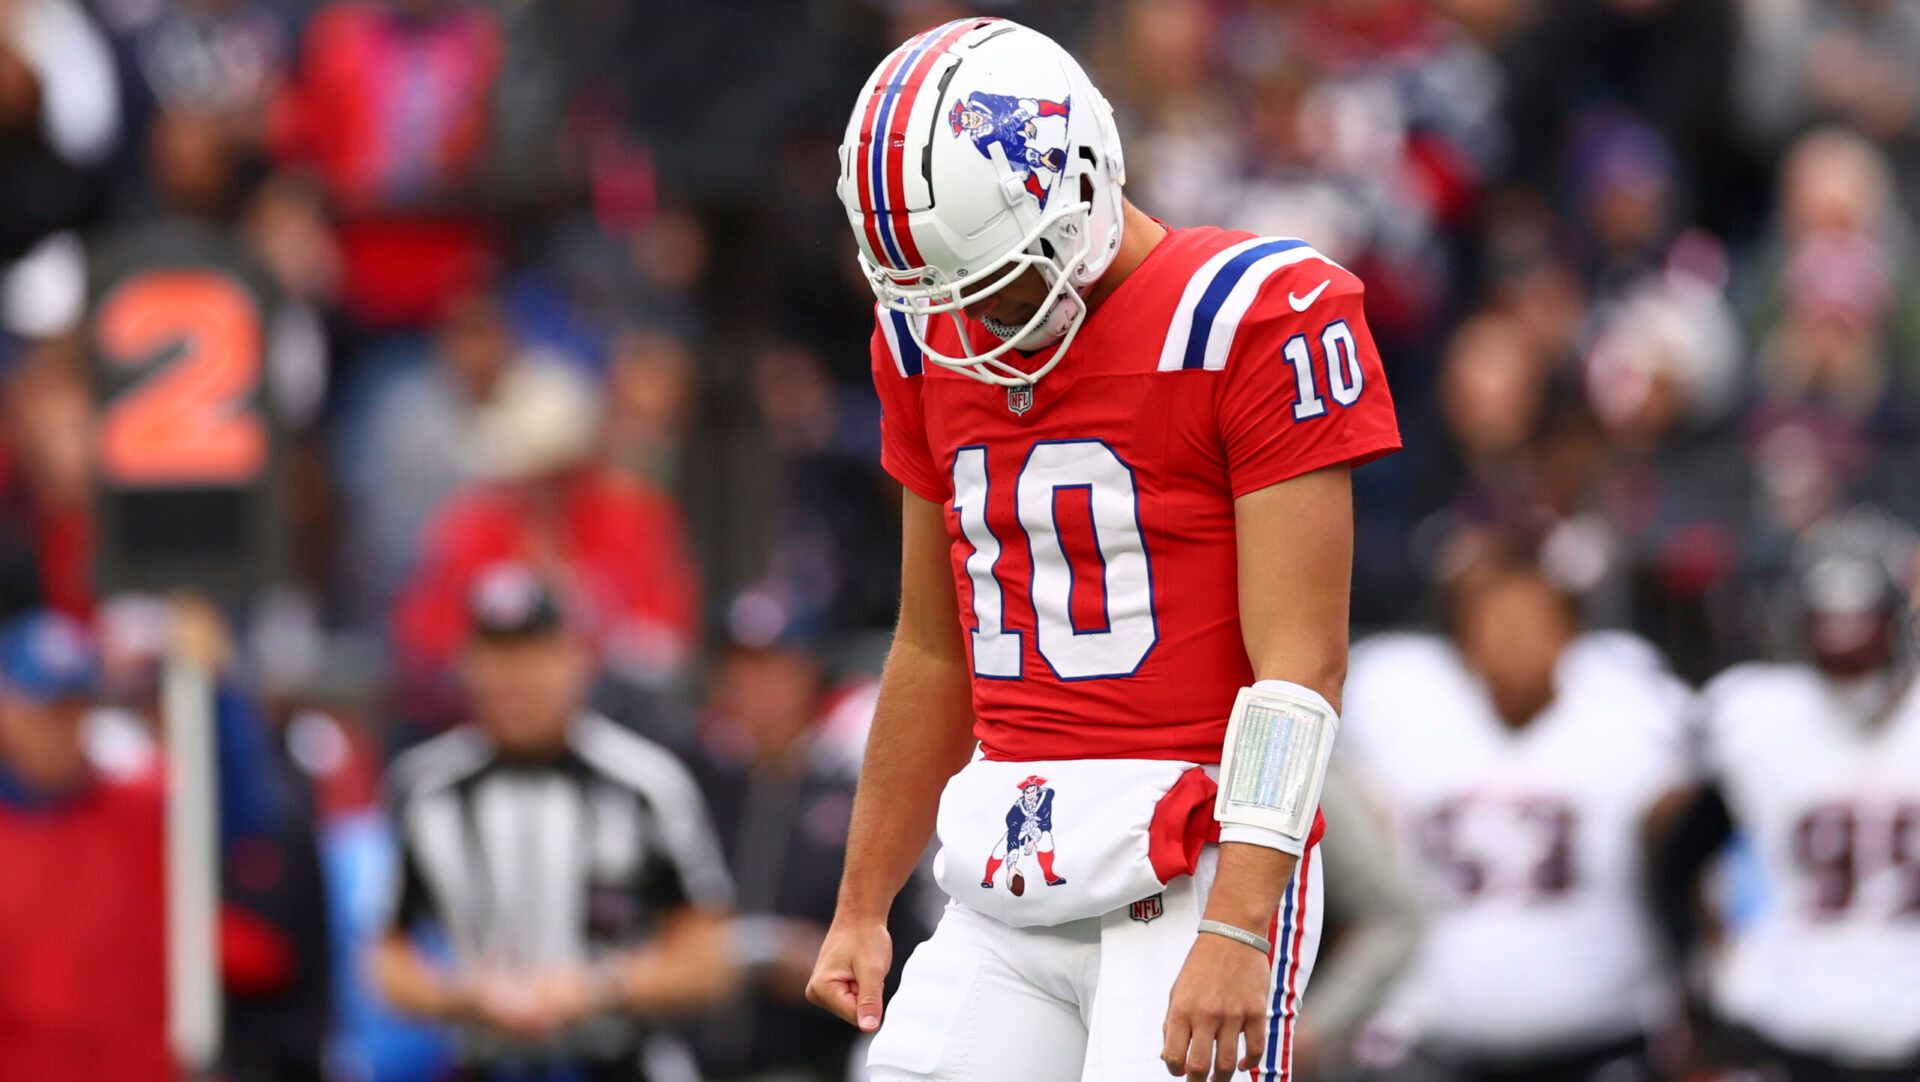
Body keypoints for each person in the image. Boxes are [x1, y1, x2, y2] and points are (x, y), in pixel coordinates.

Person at [806, 19, 1400, 1082]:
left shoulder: (1252, 313)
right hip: (1007, 868)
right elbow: (934, 646)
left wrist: (1238, 923)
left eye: (993, 281)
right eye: (947, 294)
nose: (974, 323)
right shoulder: (927, 337)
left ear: (1079, 180)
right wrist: (861, 900)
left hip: (1192, 856)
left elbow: (1300, 665)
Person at [372, 562, 737, 1081]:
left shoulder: (645, 783)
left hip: (616, 1062)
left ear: (577, 659)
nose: (513, 678)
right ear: (466, 664)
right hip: (484, 1060)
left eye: (534, 655)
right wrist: (464, 995)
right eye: (497, 656)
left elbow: (709, 961)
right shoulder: (425, 788)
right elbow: (386, 960)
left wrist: (594, 987)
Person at [1339, 555, 1691, 1082]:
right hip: (1428, 1037)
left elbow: (1690, 853)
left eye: (1533, 620)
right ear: (1461, 643)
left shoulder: (1628, 711)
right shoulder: (1395, 701)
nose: (1514, 639)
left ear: (1570, 634)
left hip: (1604, 1035)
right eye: (1494, 621)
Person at [1658, 508, 1920, 1080]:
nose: (1850, 664)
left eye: (1862, 639)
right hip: (1789, 1030)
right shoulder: (1762, 722)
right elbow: (1676, 861)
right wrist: (1706, 983)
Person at [0, 611, 169, 1082]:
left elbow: (239, 827)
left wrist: (216, 698)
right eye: (49, 710)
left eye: (77, 708)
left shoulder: (141, 811)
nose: (66, 729)